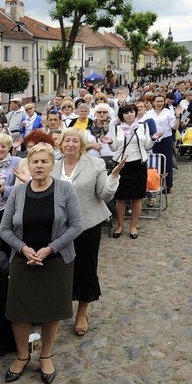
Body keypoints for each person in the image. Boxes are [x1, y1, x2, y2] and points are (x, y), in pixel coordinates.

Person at [0, 143, 82, 384]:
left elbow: (76, 225)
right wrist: (23, 248)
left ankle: (45, 355)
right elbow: (5, 229)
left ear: (52, 165)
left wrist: (49, 249)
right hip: (23, 260)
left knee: (51, 310)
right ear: (28, 165)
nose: (39, 166)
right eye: (34, 162)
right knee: (19, 311)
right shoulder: (18, 192)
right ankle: (23, 356)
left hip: (56, 261)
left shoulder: (65, 190)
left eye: (44, 161)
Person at [52, 129, 123, 337]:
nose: (71, 144)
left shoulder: (95, 164)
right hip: (59, 227)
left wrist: (114, 176)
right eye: (67, 140)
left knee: (85, 269)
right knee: (58, 269)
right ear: (61, 144)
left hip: (87, 225)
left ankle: (82, 313)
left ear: (81, 145)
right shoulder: (53, 166)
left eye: (75, 141)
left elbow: (105, 194)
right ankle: (57, 309)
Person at [107, 104, 155, 238]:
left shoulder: (143, 126)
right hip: (121, 165)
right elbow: (114, 148)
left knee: (137, 196)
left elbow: (146, 145)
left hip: (138, 164)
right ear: (122, 115)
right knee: (120, 196)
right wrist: (110, 142)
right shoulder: (116, 128)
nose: (130, 114)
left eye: (132, 112)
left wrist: (153, 139)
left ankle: (133, 225)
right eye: (126, 113)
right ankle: (120, 225)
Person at [144, 93, 177, 192]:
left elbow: (174, 126)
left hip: (166, 138)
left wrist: (178, 117)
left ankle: (168, 186)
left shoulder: (168, 112)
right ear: (153, 102)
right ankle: (155, 184)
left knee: (167, 162)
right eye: (157, 101)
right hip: (152, 140)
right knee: (154, 163)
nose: (159, 103)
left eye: (161, 101)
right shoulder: (148, 113)